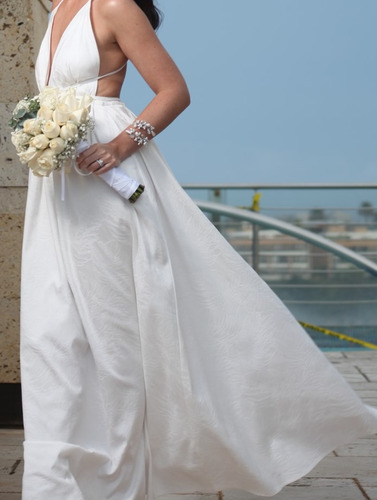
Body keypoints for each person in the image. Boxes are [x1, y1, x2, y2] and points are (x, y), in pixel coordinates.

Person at [20, 0, 377, 498]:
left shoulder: (115, 6)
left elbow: (174, 91)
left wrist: (119, 146)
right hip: (56, 189)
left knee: (116, 335)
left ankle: (124, 476)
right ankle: (57, 477)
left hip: (106, 183)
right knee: (51, 331)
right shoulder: (56, 7)